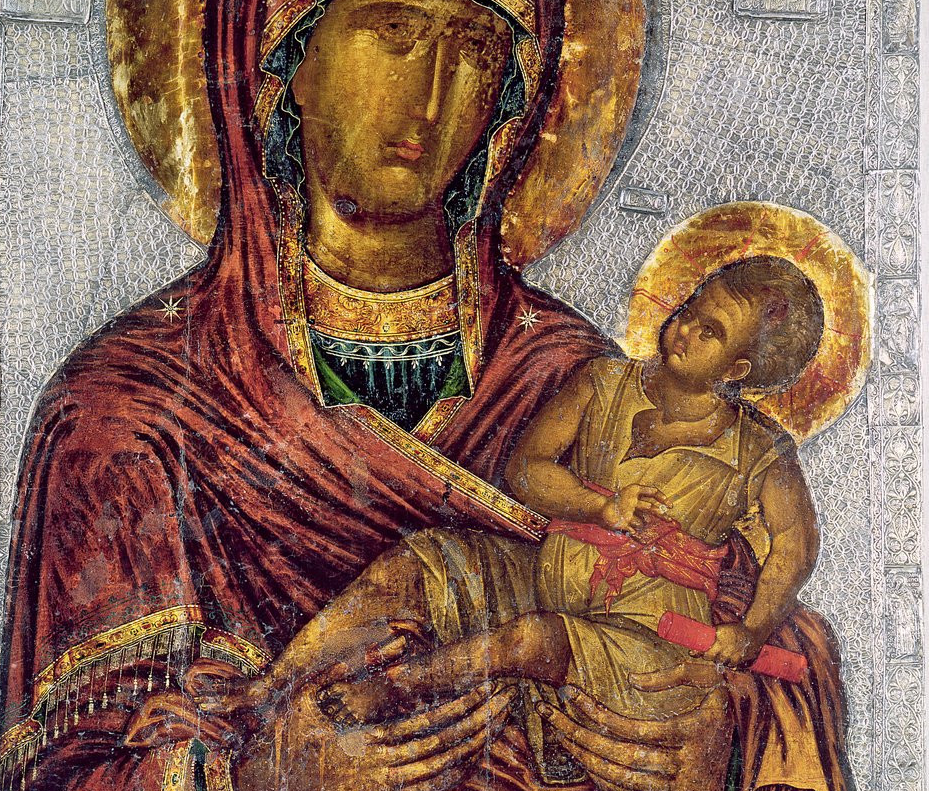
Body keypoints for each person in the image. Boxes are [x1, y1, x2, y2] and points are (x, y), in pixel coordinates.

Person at [0, 0, 865, 791]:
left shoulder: (577, 379)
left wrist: (728, 762)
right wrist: (247, 783)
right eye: (393, 31)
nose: (433, 91)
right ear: (284, 61)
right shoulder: (132, 406)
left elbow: (738, 627)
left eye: (478, 52)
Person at [312, 256, 826, 751]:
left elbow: (795, 547)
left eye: (709, 331)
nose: (685, 329)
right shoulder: (604, 381)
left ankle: (392, 689)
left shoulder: (758, 451)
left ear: (737, 368)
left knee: (531, 639)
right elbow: (527, 470)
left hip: (646, 637)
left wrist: (752, 630)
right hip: (543, 583)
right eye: (689, 310)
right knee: (425, 558)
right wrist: (601, 509)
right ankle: (284, 683)